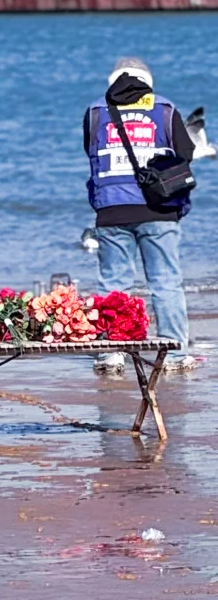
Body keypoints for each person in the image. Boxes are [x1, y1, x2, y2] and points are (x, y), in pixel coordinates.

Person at [85, 56, 198, 375]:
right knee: (166, 282)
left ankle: (111, 352)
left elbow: (90, 151)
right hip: (159, 208)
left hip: (110, 209)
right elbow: (186, 153)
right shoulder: (164, 108)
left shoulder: (96, 111)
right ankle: (174, 354)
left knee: (113, 284)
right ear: (147, 81)